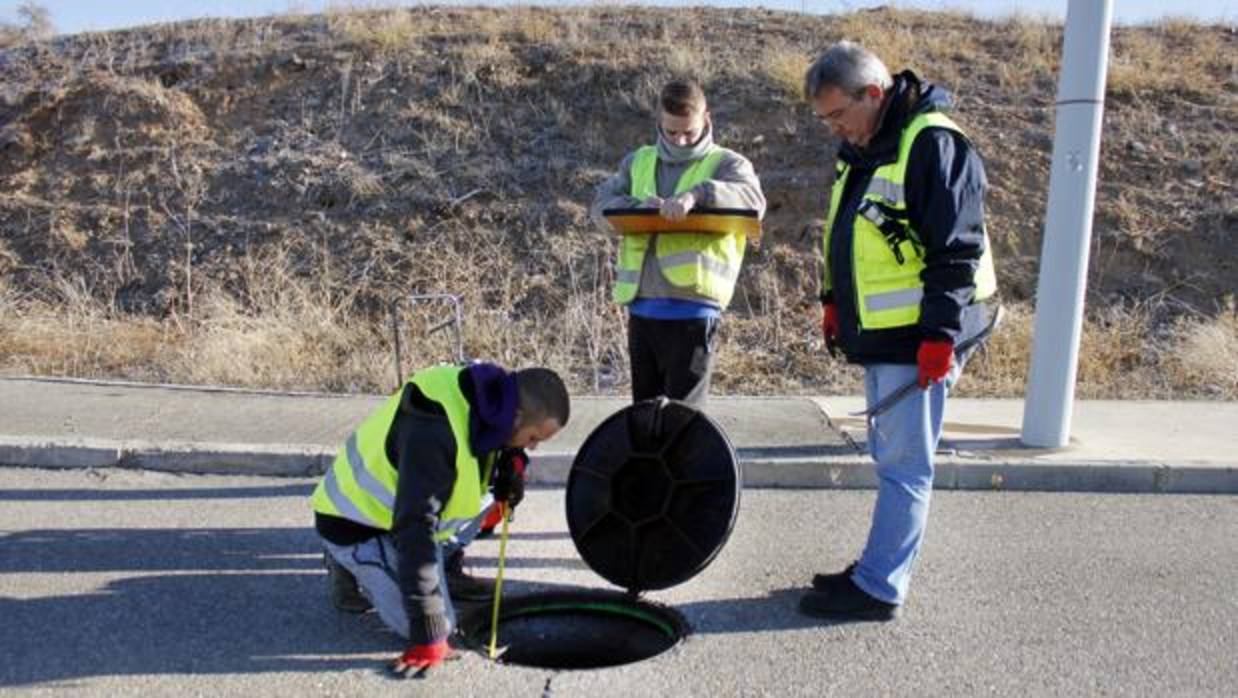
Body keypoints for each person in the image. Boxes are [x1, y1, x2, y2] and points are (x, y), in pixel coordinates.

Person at [799, 42, 998, 621]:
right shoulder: (864, 145)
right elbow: (845, 230)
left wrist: (939, 336)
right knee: (892, 457)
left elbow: (956, 252)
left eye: (839, 114)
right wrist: (833, 301)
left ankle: (881, 588)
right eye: (825, 119)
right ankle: (875, 568)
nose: (834, 128)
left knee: (905, 464)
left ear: (874, 94)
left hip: (924, 332)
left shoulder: (933, 144)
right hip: (891, 332)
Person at [310, 362, 569, 675]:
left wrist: (512, 459)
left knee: (487, 501)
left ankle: (443, 567)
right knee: (436, 625)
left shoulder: (490, 397)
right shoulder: (432, 437)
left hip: (404, 509)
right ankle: (346, 560)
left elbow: (482, 456)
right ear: (515, 418)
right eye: (531, 438)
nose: (533, 446)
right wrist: (428, 634)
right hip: (355, 522)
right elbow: (416, 531)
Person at [590, 79, 766, 407]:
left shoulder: (728, 163)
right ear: (659, 121)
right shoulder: (637, 162)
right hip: (642, 308)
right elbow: (600, 206)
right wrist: (636, 209)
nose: (680, 140)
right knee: (645, 416)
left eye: (689, 131)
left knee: (685, 419)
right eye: (671, 132)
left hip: (695, 312)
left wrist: (697, 195)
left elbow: (754, 202)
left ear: (707, 120)